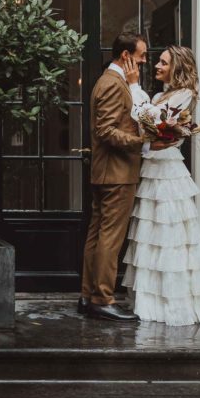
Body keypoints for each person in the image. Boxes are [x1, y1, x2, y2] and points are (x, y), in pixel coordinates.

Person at [120, 45, 200, 326]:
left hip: (168, 170)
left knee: (169, 232)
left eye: (164, 63)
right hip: (151, 165)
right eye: (158, 61)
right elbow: (147, 125)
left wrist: (133, 86)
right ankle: (151, 297)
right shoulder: (158, 94)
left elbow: (152, 120)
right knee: (151, 232)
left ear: (177, 68)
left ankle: (173, 299)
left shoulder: (185, 94)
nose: (156, 65)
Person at [79, 32, 147, 322]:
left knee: (97, 236)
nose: (144, 61)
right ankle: (102, 298)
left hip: (107, 173)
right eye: (142, 55)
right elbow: (105, 130)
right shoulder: (112, 84)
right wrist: (142, 139)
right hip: (116, 174)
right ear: (125, 56)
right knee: (109, 238)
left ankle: (88, 295)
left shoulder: (110, 81)